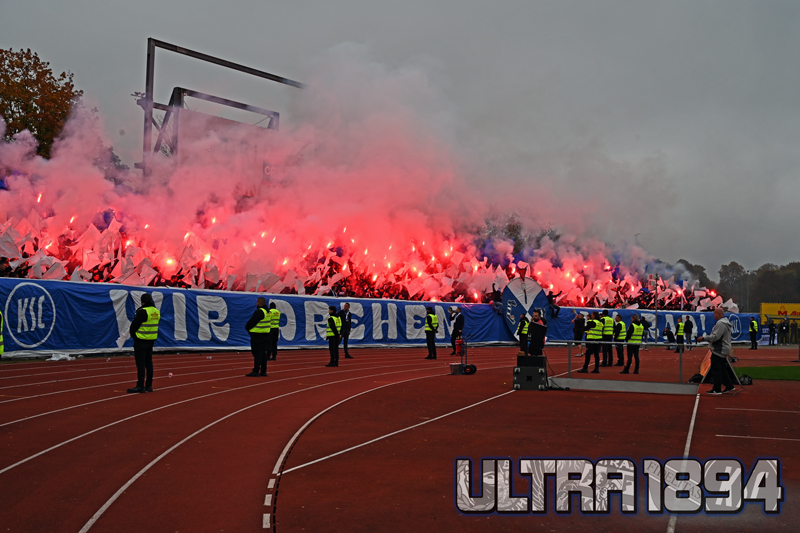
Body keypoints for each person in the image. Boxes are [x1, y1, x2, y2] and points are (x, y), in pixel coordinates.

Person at [127, 293, 160, 393]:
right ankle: (149, 385)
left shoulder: (142, 311)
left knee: (140, 364)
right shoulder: (156, 311)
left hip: (141, 340)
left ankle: (140, 385)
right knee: (149, 363)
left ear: (142, 301)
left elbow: (133, 327)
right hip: (151, 340)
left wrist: (134, 336)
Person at [698, 307, 735, 394]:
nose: (713, 315)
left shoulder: (721, 324)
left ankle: (717, 388)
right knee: (722, 368)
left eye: (714, 313)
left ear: (719, 314)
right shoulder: (724, 323)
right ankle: (729, 386)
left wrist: (704, 338)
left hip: (719, 349)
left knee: (716, 369)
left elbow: (715, 337)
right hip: (723, 348)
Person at [244, 297, 270, 377]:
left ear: (259, 302)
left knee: (257, 353)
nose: (256, 304)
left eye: (257, 302)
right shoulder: (268, 312)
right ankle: (263, 371)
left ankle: (256, 370)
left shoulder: (259, 312)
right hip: (265, 335)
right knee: (263, 354)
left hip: (257, 335)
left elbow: (251, 323)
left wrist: (248, 328)